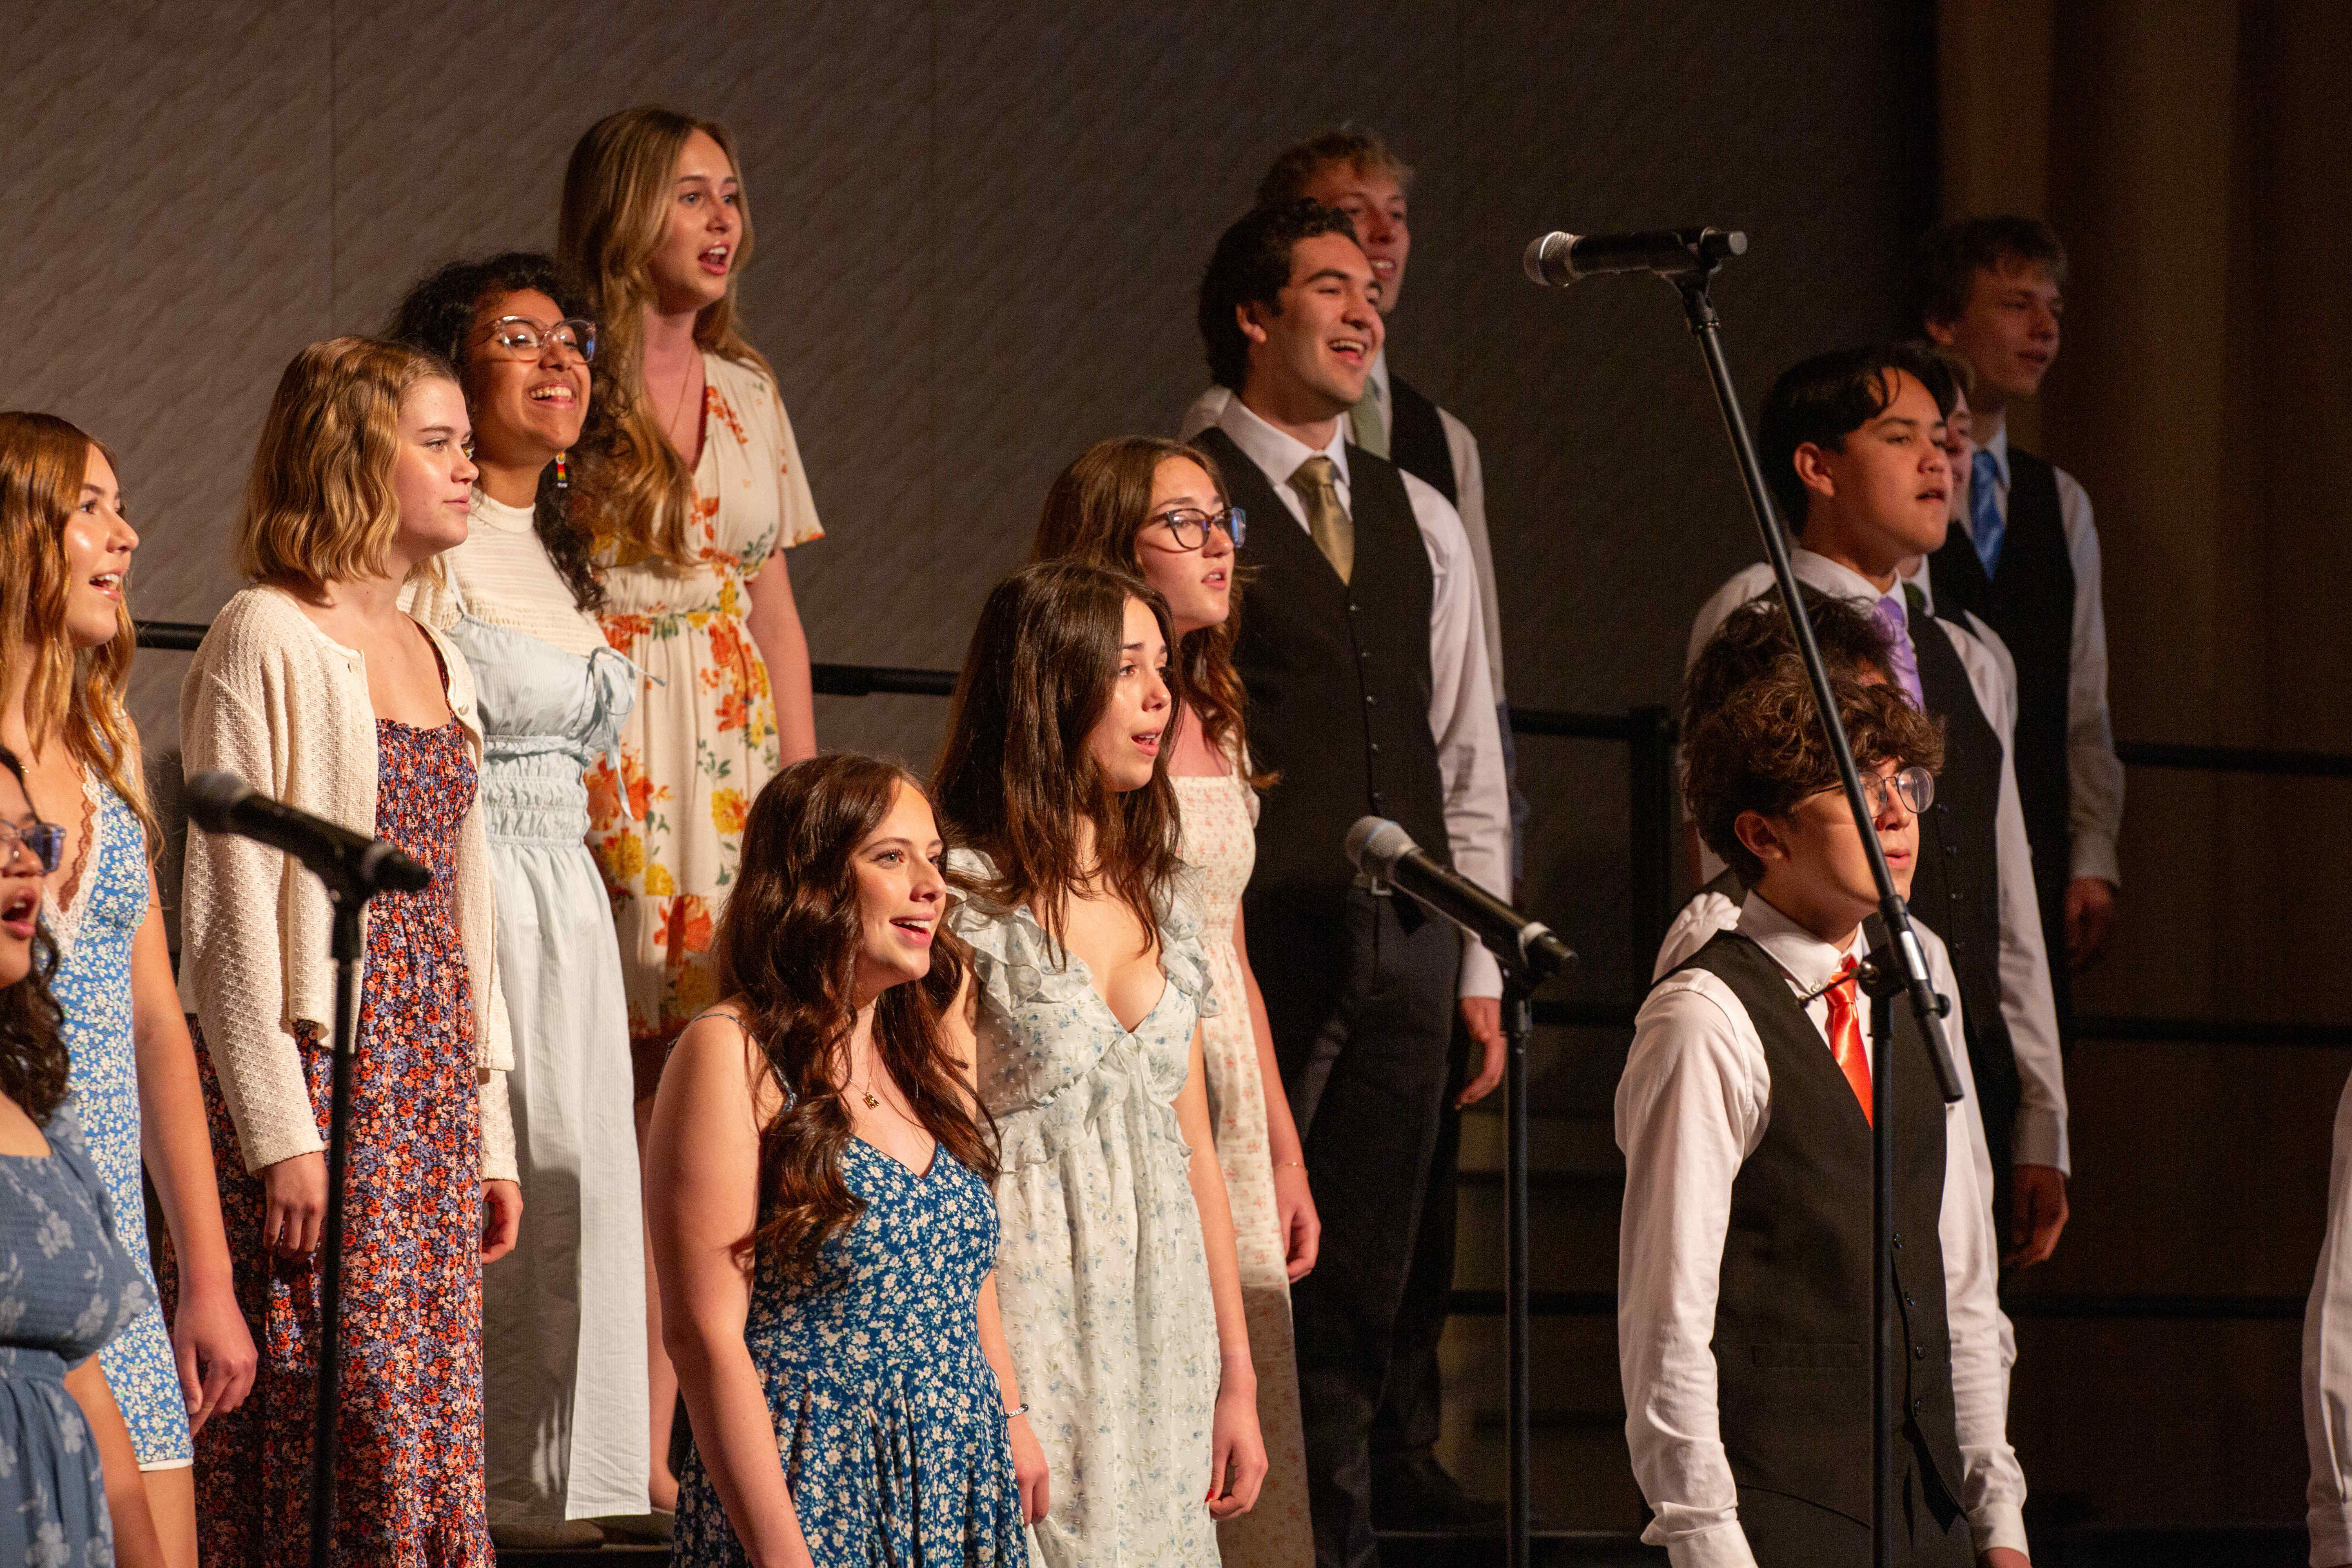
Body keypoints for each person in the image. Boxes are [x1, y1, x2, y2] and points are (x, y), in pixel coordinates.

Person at [1190, 196, 1512, 1562]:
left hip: (1413, 940)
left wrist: (1483, 959)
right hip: (1268, 934)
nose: (1364, 306)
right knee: (1259, 1254)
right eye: (1328, 284)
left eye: (1370, 287)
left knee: (1370, 1276)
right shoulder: (1189, 486)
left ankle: (1345, 1544)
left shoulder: (1419, 508)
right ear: (1257, 316)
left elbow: (1465, 737)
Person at [177, 336, 521, 1564]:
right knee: (337, 1402)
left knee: (419, 1401)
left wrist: (490, 1131)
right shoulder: (264, 634)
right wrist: (282, 1134)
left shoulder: (442, 652)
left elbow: (467, 914)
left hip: (428, 1082)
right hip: (330, 1076)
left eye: (466, 444)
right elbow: (223, 917)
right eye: (438, 442)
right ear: (350, 457)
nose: (467, 465)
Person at [1619, 665, 2030, 1567]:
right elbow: (1666, 1327)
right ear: (1763, 834)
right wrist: (1710, 1547)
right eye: (1855, 789)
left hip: (1931, 1517)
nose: (1896, 814)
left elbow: (1957, 1272)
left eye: (1905, 785)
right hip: (1783, 1520)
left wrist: (1996, 1514)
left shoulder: (1913, 980)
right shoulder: (1707, 1016)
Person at [561, 107, 826, 1504]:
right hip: (607, 749)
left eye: (734, 196)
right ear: (623, 214)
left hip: (724, 759)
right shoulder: (568, 379)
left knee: (708, 1088)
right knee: (609, 1078)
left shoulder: (750, 393)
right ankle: (596, 1432)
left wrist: (801, 803)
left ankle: (670, 1438)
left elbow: (777, 618)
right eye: (690, 198)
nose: (722, 223)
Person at [1688, 344, 2071, 1269]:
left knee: (1965, 1324)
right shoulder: (1755, 617)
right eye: (1900, 439)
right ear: (1817, 467)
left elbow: (2006, 890)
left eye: (1942, 440)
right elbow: (1725, 863)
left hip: (1957, 1046)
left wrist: (2040, 1116)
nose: (1936, 461)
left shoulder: (1974, 657)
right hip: (1828, 1048)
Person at [388, 255, 651, 1543]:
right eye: (518, 337)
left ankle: (568, 1486)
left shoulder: (559, 547)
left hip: (571, 903)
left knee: (579, 1185)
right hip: (479, 884)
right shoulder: (429, 552)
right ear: (451, 366)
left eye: (574, 338)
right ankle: (483, 1496)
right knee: (501, 1188)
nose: (560, 361)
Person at [933, 561, 1269, 1565]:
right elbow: (952, 1163)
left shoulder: (1164, 896)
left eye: (1162, 666)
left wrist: (1238, 1380)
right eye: (1127, 670)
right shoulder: (964, 899)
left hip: (1164, 1326)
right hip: (1035, 1317)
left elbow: (1193, 1151)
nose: (1161, 696)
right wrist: (1001, 1395)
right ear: (1050, 688)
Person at [1029, 435, 1317, 1564]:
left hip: (1225, 1071)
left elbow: (1232, 951)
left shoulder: (1216, 716)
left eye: (1222, 522)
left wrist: (1283, 1148)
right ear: (1112, 547)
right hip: (1136, 1062)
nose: (1217, 547)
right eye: (1182, 523)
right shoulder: (1087, 731)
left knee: (1251, 1381)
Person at [650, 754, 1037, 1566]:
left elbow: (970, 1281)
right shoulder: (733, 1053)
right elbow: (703, 1337)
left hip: (957, 1486)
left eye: (934, 858)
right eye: (892, 857)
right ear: (813, 880)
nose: (930, 884)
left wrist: (1011, 1417)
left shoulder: (920, 1062)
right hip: (814, 1490)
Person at [0, 410, 256, 1566]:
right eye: (90, 508)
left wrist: (204, 1274)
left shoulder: (101, 744)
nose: (129, 537)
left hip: (116, 1266)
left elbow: (159, 1024)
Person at [1915, 218, 2124, 1011]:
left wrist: (2092, 853)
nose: (2044, 330)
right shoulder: (1904, 490)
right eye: (2015, 305)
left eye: (2055, 310)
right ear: (1945, 322)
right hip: (1927, 834)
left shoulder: (2059, 502)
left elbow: (2083, 699)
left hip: (2034, 836)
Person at [0, 743, 169, 1567]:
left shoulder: (41, 1106)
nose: (26, 866)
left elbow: (87, 1379)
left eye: (35, 839)